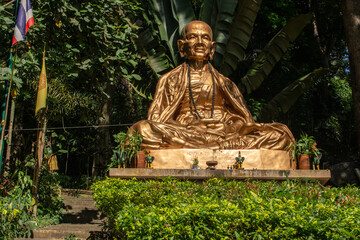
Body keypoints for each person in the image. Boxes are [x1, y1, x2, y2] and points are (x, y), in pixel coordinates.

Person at [131, 20, 294, 150]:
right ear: (182, 46)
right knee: (142, 129)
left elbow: (243, 119)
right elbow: (158, 119)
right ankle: (215, 147)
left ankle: (214, 146)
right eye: (193, 37)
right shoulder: (170, 79)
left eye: (205, 38)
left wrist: (228, 129)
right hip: (186, 132)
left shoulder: (224, 82)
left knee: (280, 135)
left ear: (212, 48)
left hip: (223, 132)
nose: (200, 42)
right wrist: (188, 126)